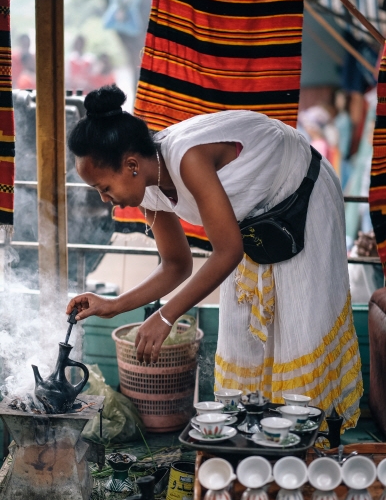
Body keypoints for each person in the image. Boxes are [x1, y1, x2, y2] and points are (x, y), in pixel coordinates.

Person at [66, 85, 363, 431]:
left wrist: (165, 317)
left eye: (104, 188)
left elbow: (229, 252)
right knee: (244, 336)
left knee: (300, 328)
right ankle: (258, 438)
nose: (106, 200)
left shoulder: (187, 160)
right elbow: (177, 264)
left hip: (303, 196)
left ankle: (307, 448)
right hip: (255, 217)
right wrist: (114, 305)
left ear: (131, 165)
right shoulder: (148, 187)